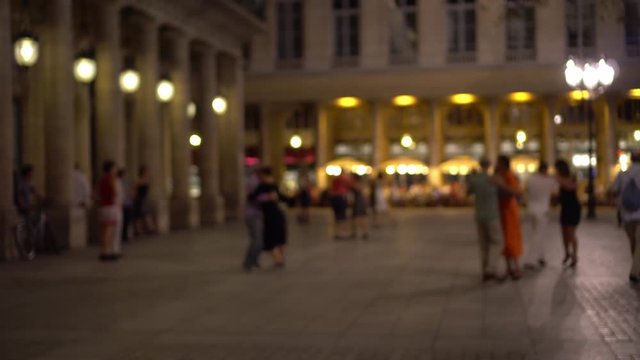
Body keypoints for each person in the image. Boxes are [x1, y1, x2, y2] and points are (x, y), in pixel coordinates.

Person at [467, 158, 504, 282]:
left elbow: (468, 192)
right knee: (497, 242)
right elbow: (505, 190)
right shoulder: (493, 179)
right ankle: (491, 269)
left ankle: (485, 271)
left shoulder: (475, 179)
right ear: (489, 165)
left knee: (484, 245)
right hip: (492, 215)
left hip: (479, 215)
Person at [609, 151, 640, 283]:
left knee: (633, 243)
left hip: (627, 214)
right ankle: (635, 270)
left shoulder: (622, 174)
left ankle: (636, 268)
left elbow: (614, 191)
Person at [522, 161, 558, 270]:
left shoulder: (531, 179)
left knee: (536, 232)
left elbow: (526, 190)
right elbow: (556, 193)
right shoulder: (549, 180)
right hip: (543, 210)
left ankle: (540, 256)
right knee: (538, 235)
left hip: (531, 209)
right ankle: (531, 260)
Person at [249, 167, 287, 268]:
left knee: (271, 238)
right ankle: (280, 258)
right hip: (278, 213)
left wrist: (265, 198)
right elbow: (283, 198)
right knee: (279, 237)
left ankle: (278, 259)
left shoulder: (262, 186)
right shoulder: (274, 185)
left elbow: (252, 198)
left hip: (269, 215)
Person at [494, 155, 524, 280]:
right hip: (503, 210)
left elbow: (515, 191)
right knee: (506, 240)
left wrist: (501, 185)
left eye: (499, 163)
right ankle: (509, 268)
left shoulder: (509, 176)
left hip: (509, 211)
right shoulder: (500, 175)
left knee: (511, 238)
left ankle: (516, 268)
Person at [554, 159, 581, 268]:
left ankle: (574, 255)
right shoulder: (558, 179)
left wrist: (558, 180)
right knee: (564, 232)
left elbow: (570, 187)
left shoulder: (572, 177)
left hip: (573, 207)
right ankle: (567, 253)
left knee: (571, 232)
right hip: (564, 208)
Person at [97, 160, 121, 261]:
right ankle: (107, 251)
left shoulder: (101, 179)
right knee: (109, 230)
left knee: (103, 230)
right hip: (110, 206)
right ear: (111, 169)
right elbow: (115, 192)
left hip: (102, 206)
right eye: (114, 168)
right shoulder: (111, 179)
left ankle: (103, 250)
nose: (115, 170)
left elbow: (96, 193)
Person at [243, 170, 263, 271]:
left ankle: (254, 260)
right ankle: (248, 262)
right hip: (252, 215)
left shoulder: (257, 182)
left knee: (258, 240)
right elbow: (255, 197)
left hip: (256, 215)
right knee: (257, 240)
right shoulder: (254, 182)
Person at [133, 165, 156, 235]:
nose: (148, 172)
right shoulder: (139, 180)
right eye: (146, 171)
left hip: (144, 199)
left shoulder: (146, 179)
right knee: (140, 215)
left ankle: (149, 228)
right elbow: (135, 190)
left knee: (146, 214)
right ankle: (141, 229)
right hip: (140, 199)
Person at [329, 170, 351, 239]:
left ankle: (337, 232)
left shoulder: (334, 180)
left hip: (335, 198)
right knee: (342, 216)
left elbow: (331, 189)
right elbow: (349, 186)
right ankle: (342, 232)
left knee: (337, 216)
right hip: (340, 197)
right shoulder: (343, 180)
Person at [350, 175, 369, 239]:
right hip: (358, 201)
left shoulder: (357, 184)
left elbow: (359, 190)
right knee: (357, 217)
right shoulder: (358, 183)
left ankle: (362, 232)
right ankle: (356, 232)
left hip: (358, 201)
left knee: (359, 217)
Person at [117, 169, 133, 242]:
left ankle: (125, 235)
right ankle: (122, 236)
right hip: (123, 204)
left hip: (127, 203)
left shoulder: (126, 183)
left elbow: (130, 192)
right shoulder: (118, 183)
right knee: (123, 221)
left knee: (127, 221)